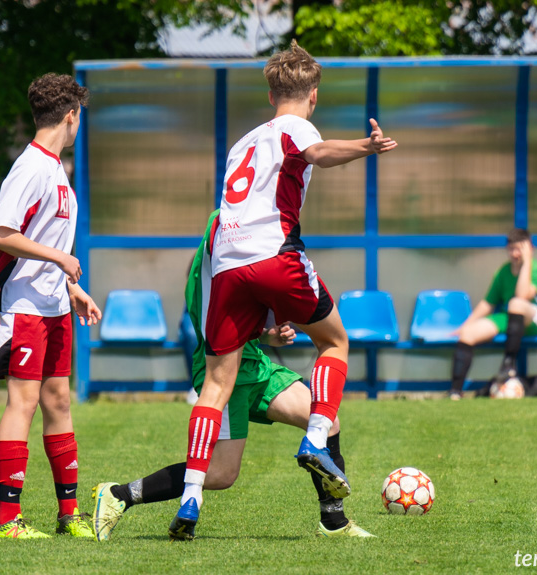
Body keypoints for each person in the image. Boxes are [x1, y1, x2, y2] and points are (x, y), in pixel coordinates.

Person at [168, 40, 398, 540]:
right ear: (311, 95)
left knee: (215, 384)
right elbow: (316, 152)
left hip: (228, 266)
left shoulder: (241, 144)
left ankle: (191, 495)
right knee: (335, 341)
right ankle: (317, 439)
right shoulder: (297, 127)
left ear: (271, 94)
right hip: (275, 255)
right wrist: (367, 147)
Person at [91, 210, 373, 541]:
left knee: (325, 419)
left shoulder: (253, 230)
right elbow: (219, 314)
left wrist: (267, 334)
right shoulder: (224, 227)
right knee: (223, 474)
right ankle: (120, 495)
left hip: (255, 365)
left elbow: (244, 301)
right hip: (223, 372)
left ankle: (333, 522)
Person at [0, 73, 101, 539]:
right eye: (80, 119)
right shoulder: (31, 166)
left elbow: (45, 239)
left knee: (58, 402)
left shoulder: (57, 169)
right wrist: (58, 259)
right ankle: (7, 518)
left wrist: (71, 288)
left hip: (54, 305)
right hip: (25, 308)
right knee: (24, 403)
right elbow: (1, 233)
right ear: (70, 116)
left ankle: (67, 514)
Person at [449, 228, 537, 400]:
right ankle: (455, 391)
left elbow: (522, 296)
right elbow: (488, 303)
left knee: (516, 303)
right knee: (468, 334)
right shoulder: (503, 272)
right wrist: (465, 326)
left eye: (520, 249)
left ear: (530, 249)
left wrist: (527, 263)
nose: (515, 254)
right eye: (511, 248)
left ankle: (508, 364)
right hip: (510, 318)